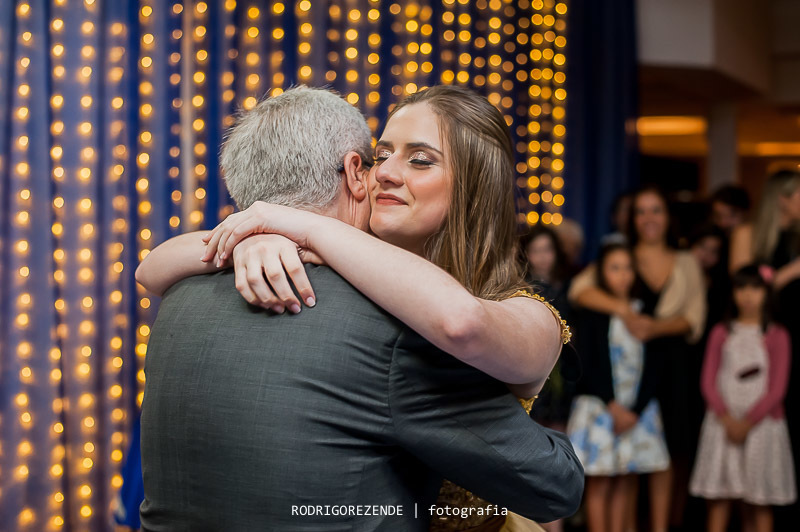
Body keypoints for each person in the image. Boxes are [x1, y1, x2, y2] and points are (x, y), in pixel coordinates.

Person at [136, 86, 582, 531]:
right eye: (382, 153)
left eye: (420, 159)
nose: (385, 171)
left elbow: (461, 320)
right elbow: (150, 268)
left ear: (475, 183)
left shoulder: (527, 310)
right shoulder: (346, 289)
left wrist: (302, 225)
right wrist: (261, 234)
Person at [567, 186, 706, 531]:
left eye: (656, 210)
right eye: (641, 211)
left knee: (666, 453)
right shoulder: (621, 255)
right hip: (620, 370)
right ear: (632, 218)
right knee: (619, 469)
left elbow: (696, 318)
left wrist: (653, 327)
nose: (649, 218)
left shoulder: (686, 260)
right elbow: (579, 291)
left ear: (667, 216)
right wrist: (625, 312)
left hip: (670, 364)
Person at [567, 243, 670, 532]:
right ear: (602, 272)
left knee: (627, 479)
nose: (623, 275)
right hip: (602, 408)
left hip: (635, 410)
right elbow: (587, 364)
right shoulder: (593, 313)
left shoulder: (645, 313)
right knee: (599, 483)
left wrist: (634, 410)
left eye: (628, 267)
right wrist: (612, 404)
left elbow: (654, 367)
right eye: (615, 268)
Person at [690, 264, 796, 532]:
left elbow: (777, 388)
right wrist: (726, 417)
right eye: (741, 288)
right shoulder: (721, 332)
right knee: (720, 499)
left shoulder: (777, 335)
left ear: (766, 293)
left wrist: (748, 422)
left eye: (755, 288)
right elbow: (708, 382)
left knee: (759, 501)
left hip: (762, 428)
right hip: (722, 424)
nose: (748, 295)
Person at [728, 170, 800, 528]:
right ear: (783, 197)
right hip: (753, 345)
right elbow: (741, 285)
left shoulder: (796, 238)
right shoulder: (748, 234)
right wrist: (790, 273)